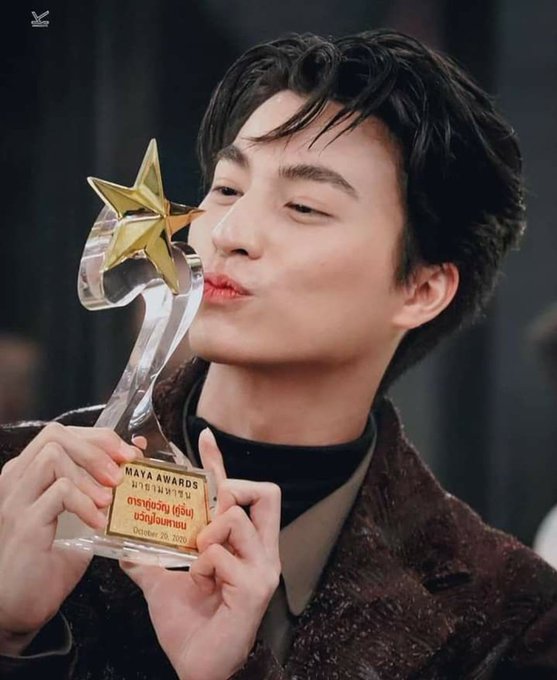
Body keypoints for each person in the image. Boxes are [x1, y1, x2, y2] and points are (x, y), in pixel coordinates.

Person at [0, 29, 556, 680]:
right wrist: (13, 635)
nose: (229, 233)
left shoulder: (508, 614)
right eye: (227, 189)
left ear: (421, 288)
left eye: (303, 206)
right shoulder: (20, 481)